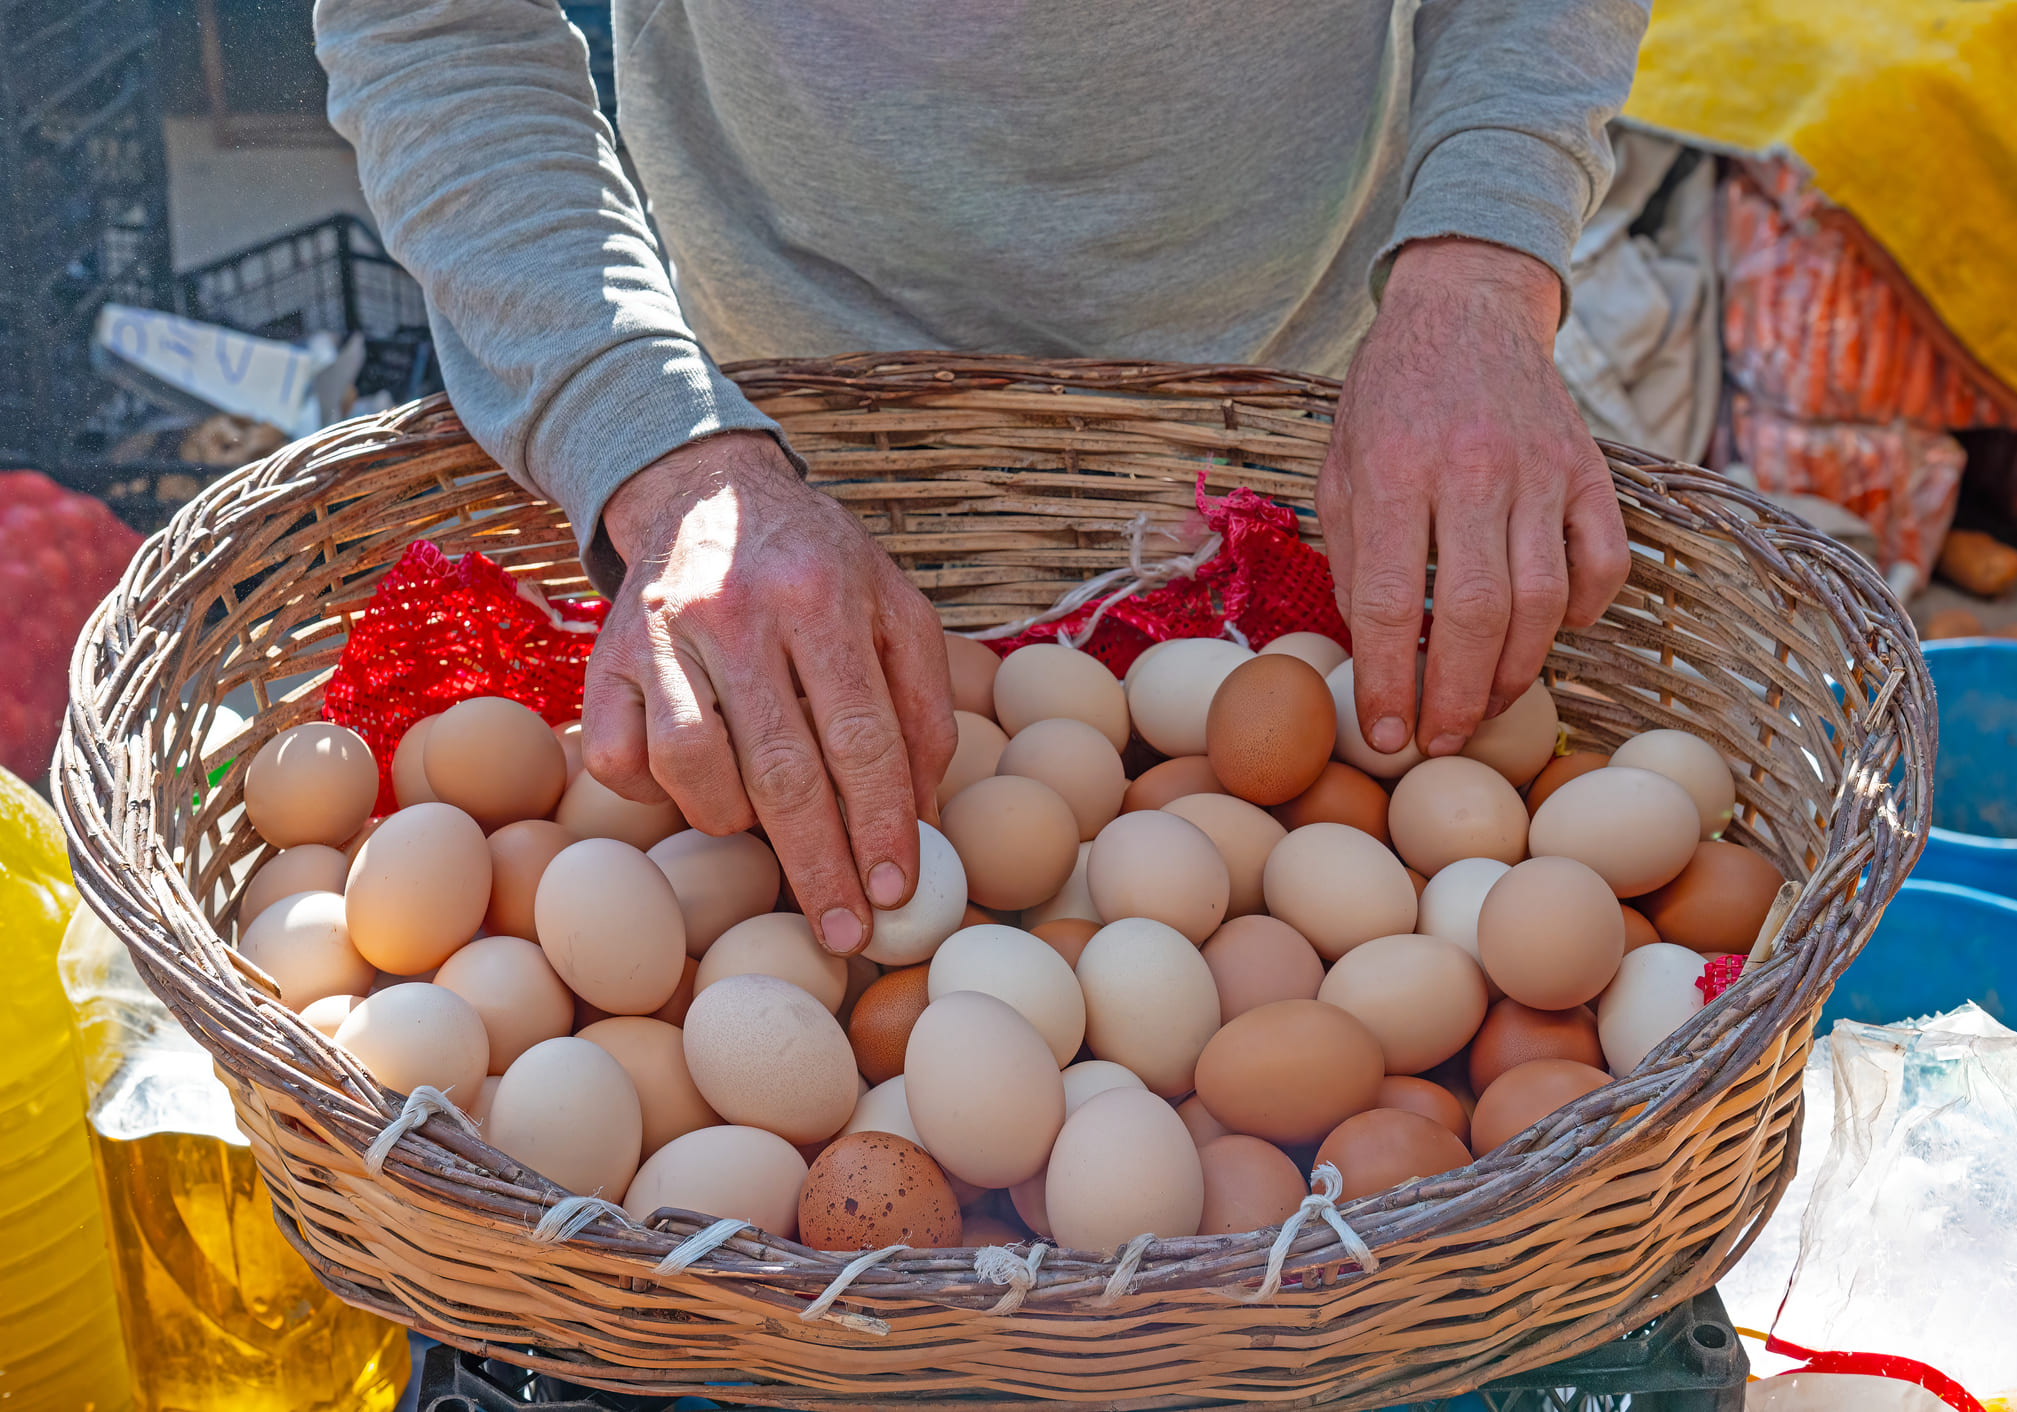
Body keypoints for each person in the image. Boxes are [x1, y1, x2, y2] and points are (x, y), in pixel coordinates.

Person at [316, 1, 1648, 955]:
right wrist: (655, 454)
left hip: (1320, 452)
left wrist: (1479, 269)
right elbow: (433, 23)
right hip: (773, 454)